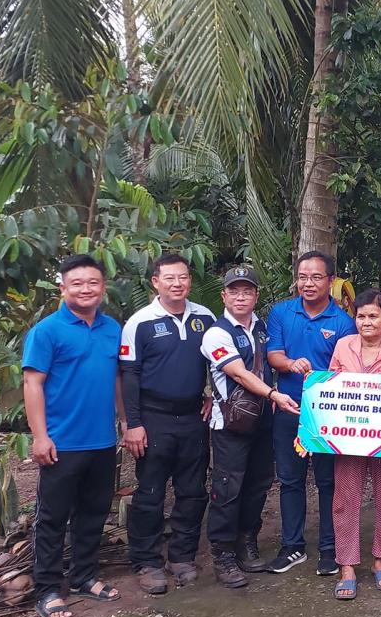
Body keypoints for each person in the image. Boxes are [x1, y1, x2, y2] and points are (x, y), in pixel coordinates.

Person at [22, 254, 123, 617]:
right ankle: (47, 589)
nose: (86, 289)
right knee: (52, 519)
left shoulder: (113, 328)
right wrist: (40, 436)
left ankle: (84, 577)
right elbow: (32, 383)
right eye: (77, 283)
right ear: (62, 288)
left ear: (103, 288)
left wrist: (126, 420)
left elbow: (116, 379)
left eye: (93, 283)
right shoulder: (47, 331)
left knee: (94, 513)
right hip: (61, 443)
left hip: (101, 442)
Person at [120, 253, 216, 594]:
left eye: (183, 277)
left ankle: (182, 556)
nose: (178, 284)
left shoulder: (205, 318)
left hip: (193, 418)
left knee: (192, 491)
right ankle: (146, 562)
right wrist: (133, 423)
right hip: (153, 419)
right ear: (155, 282)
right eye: (170, 278)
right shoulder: (140, 322)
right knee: (150, 493)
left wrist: (211, 396)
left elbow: (218, 362)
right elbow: (129, 374)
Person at [199, 265, 300, 588]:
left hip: (262, 419)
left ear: (256, 296)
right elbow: (239, 373)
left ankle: (247, 541)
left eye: (247, 291)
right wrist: (274, 393)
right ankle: (223, 554)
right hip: (230, 421)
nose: (240, 296)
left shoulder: (260, 328)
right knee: (228, 487)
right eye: (234, 291)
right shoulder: (217, 333)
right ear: (224, 296)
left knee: (258, 483)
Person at [265, 251, 358, 575]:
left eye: (316, 277)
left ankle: (330, 549)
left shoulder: (344, 322)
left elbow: (347, 368)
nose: (308, 283)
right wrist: (290, 364)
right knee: (290, 481)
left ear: (331, 281)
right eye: (303, 276)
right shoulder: (280, 312)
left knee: (328, 481)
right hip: (289, 409)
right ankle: (292, 547)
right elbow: (273, 353)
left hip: (328, 416)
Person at [324, 289, 381, 599]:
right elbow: (331, 391)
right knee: (345, 500)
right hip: (348, 439)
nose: (366, 322)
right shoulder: (342, 346)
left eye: (373, 316)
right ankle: (347, 565)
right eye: (361, 316)